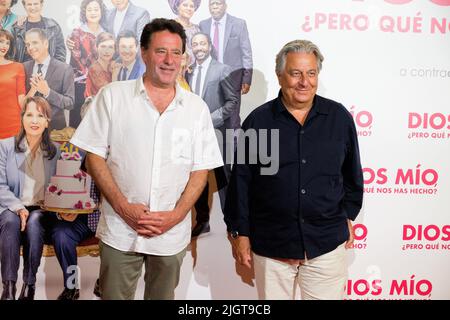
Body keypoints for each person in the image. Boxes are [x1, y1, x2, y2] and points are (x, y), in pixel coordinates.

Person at [70, 18, 223, 300]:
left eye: (176, 53)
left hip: (171, 235)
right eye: (161, 51)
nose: (169, 60)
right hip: (120, 231)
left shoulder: (196, 108)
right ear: (144, 52)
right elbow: (93, 157)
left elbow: (201, 170)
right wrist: (123, 207)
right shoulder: (112, 96)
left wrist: (176, 217)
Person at [224, 40, 364, 300]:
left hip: (325, 245)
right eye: (295, 73)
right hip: (271, 245)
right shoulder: (259, 121)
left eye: (311, 73)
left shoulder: (338, 118)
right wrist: (240, 233)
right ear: (280, 75)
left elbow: (352, 175)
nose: (304, 82)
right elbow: (242, 183)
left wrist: (347, 214)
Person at [0, 96, 58, 300]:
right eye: (29, 114)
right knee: (9, 219)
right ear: (22, 118)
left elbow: (62, 186)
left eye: (40, 116)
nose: (34, 121)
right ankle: (8, 287)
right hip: (12, 207)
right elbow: (0, 186)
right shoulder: (5, 146)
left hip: (41, 210)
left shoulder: (54, 151)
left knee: (34, 220)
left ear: (47, 121)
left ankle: (29, 285)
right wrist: (18, 207)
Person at [187, 32, 238, 237]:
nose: (199, 47)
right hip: (193, 135)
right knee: (198, 176)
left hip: (217, 133)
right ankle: (203, 221)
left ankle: (233, 221)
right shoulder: (188, 72)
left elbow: (232, 101)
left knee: (225, 178)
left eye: (202, 43)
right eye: (195, 44)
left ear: (209, 46)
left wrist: (210, 120)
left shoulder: (222, 69)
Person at [200, 0, 253, 130]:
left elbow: (246, 52)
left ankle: (234, 148)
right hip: (210, 77)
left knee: (233, 116)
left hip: (232, 77)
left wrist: (247, 78)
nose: (215, 7)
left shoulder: (238, 24)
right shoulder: (203, 25)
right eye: (212, 4)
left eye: (218, 3)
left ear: (225, 6)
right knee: (211, 114)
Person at [23, 28, 75, 130]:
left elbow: (70, 103)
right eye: (28, 44)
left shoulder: (64, 69)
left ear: (46, 44)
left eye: (34, 43)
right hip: (28, 130)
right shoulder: (23, 67)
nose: (30, 47)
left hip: (54, 130)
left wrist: (48, 92)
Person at [68, 0, 108, 128]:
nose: (93, 13)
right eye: (89, 10)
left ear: (101, 11)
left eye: (96, 9)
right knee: (78, 123)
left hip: (102, 85)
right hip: (81, 85)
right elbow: (78, 60)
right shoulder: (76, 33)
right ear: (84, 12)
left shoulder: (106, 33)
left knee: (99, 122)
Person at [0, 29, 26, 139]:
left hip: (13, 126)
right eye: (1, 41)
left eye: (7, 42)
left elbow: (21, 101)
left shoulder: (17, 67)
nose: (4, 46)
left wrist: (34, 89)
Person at [84, 32, 117, 97]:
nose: (107, 51)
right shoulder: (94, 69)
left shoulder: (116, 64)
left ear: (115, 50)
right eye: (103, 46)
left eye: (110, 47)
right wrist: (115, 74)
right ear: (96, 47)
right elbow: (109, 94)